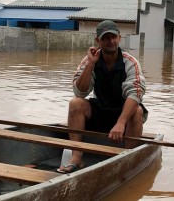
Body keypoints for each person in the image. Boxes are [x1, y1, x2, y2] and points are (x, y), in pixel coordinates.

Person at [57, 20, 147, 173]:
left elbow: (135, 93)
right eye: (105, 38)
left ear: (119, 38)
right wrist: (91, 64)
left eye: (113, 37)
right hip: (101, 110)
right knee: (75, 104)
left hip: (123, 113)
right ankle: (77, 156)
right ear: (98, 40)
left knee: (137, 111)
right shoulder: (89, 60)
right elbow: (80, 92)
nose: (110, 41)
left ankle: (127, 158)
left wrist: (120, 123)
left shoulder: (130, 62)